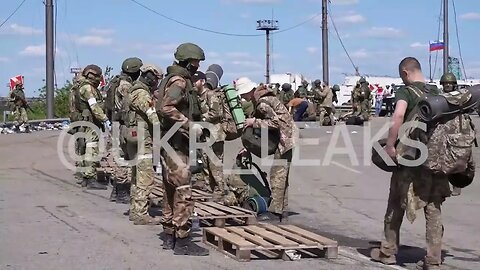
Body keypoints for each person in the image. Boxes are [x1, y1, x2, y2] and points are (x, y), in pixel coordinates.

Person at [370, 57, 451, 270]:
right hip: (436, 161)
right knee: (433, 208)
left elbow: (397, 116)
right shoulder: (437, 93)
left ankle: (387, 252)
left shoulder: (406, 92)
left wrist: (389, 145)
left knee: (396, 203)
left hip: (411, 160)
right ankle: (433, 260)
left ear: (406, 72)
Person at [157, 42, 209, 256]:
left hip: (171, 142)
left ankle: (169, 234)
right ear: (188, 61)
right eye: (196, 62)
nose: (198, 66)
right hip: (177, 143)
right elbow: (166, 107)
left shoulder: (174, 79)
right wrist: (189, 124)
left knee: (171, 189)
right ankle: (183, 240)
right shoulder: (179, 80)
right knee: (183, 191)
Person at [236, 78, 298, 222]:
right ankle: (283, 210)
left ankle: (275, 212)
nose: (242, 97)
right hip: (287, 137)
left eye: (243, 94)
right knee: (282, 175)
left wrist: (254, 122)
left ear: (249, 91)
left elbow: (276, 122)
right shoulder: (262, 99)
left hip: (285, 139)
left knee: (277, 175)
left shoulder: (263, 103)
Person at [125, 64, 163, 225]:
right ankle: (141, 213)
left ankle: (136, 210)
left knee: (136, 176)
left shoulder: (133, 90)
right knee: (144, 177)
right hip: (142, 139)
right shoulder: (141, 94)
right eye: (155, 79)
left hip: (134, 138)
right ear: (149, 76)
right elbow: (152, 117)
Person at [107, 57, 143, 204]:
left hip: (116, 122)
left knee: (121, 156)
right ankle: (122, 191)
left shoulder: (115, 81)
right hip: (122, 124)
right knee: (125, 158)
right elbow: (129, 103)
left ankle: (116, 191)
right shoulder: (125, 85)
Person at [74, 65, 112, 189]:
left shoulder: (82, 86)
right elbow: (94, 106)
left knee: (85, 148)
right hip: (90, 121)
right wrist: (105, 119)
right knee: (91, 148)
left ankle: (86, 177)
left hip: (85, 120)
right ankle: (90, 177)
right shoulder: (87, 88)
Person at [194, 70, 226, 199]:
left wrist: (201, 119)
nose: (193, 83)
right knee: (206, 163)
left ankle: (220, 190)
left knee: (215, 164)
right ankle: (211, 188)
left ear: (202, 81)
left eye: (195, 81)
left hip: (215, 135)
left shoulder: (211, 95)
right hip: (205, 135)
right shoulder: (198, 97)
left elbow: (216, 113)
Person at [439, 72, 462, 196]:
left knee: (456, 159)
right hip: (442, 130)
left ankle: (457, 185)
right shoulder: (440, 97)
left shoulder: (459, 97)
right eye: (446, 83)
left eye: (450, 83)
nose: (448, 85)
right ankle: (443, 187)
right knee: (442, 159)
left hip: (456, 131)